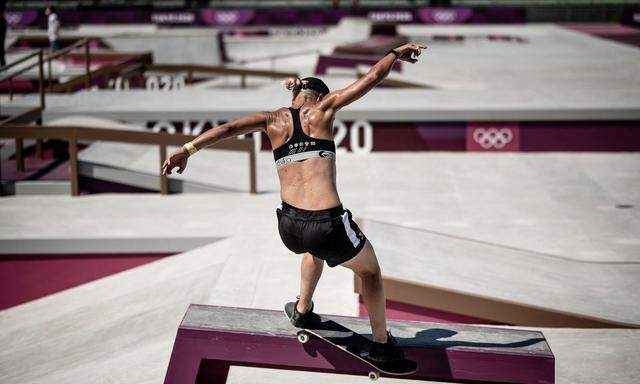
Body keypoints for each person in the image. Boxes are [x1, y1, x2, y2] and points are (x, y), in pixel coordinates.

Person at [162, 43, 427, 362]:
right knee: (370, 272)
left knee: (313, 251)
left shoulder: (270, 119)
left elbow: (228, 129)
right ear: (318, 96)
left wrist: (187, 149)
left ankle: (302, 310)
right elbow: (371, 77)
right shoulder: (323, 109)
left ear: (295, 97)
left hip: (288, 226)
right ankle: (382, 344)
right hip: (326, 224)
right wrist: (395, 53)